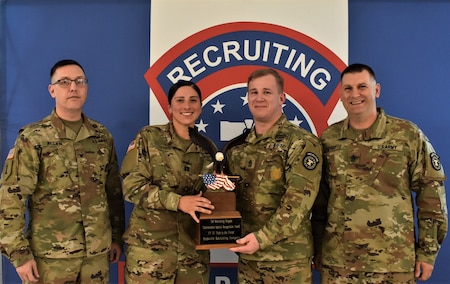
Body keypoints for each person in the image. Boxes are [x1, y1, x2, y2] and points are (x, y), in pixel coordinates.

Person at [311, 63, 448, 283]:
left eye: (362, 87)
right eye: (348, 89)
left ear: (376, 90)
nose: (355, 94)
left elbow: (431, 196)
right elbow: (320, 200)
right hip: (338, 264)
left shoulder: (407, 135)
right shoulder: (328, 139)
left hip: (393, 263)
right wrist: (318, 247)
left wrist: (428, 252)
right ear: (340, 94)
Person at [0, 59, 125, 283]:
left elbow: (112, 191)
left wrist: (116, 236)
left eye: (80, 81)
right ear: (52, 90)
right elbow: (11, 196)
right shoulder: (34, 137)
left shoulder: (102, 137)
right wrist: (18, 253)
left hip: (95, 257)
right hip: (50, 258)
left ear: (87, 87)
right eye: (64, 82)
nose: (73, 88)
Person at [223, 68, 322, 283]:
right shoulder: (238, 149)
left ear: (282, 97)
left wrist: (262, 238)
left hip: (287, 262)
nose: (259, 98)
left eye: (267, 92)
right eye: (253, 92)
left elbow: (297, 204)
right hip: (249, 258)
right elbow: (226, 194)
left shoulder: (301, 142)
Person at [120, 80, 216, 283]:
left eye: (193, 100)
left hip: (193, 255)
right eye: (180, 100)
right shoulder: (148, 137)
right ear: (170, 107)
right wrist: (178, 202)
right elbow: (132, 187)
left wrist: (220, 188)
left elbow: (208, 186)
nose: (187, 106)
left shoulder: (208, 149)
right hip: (150, 254)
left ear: (200, 105)